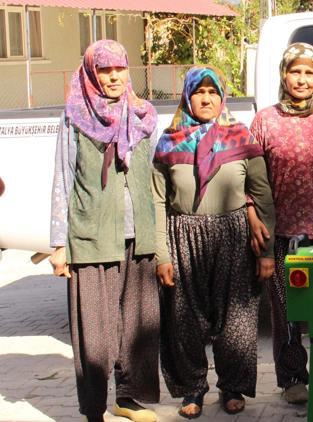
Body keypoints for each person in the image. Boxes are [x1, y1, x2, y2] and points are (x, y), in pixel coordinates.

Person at [152, 66, 275, 419]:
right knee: (185, 318)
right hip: (183, 235)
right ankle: (192, 388)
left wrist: (266, 251)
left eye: (213, 92)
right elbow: (157, 201)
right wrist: (162, 253)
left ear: (222, 97)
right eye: (198, 92)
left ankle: (232, 387)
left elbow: (262, 195)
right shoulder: (169, 140)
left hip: (233, 233)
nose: (206, 99)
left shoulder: (240, 137)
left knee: (235, 317)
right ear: (187, 97)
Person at [49, 39, 160, 422]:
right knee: (94, 330)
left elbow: (156, 180)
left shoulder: (144, 114)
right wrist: (58, 244)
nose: (114, 77)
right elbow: (63, 178)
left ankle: (129, 399)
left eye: (120, 69)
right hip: (91, 234)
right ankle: (93, 408)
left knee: (139, 324)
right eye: (105, 70)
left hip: (139, 232)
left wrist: (160, 237)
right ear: (92, 74)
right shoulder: (74, 116)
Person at [249, 42, 313, 404]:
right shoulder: (264, 120)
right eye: (295, 71)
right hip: (284, 232)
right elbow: (254, 180)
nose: (302, 79)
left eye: (309, 72)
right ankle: (292, 378)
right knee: (287, 310)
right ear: (284, 75)